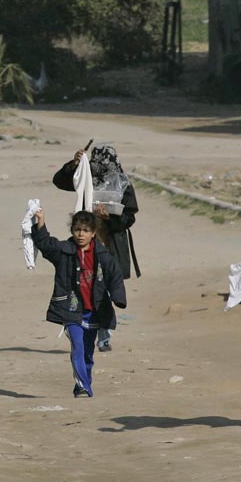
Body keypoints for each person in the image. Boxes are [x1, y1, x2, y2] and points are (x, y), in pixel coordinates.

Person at [52, 144, 140, 352]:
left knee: (105, 288)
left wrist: (109, 218)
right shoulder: (86, 179)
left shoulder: (123, 183)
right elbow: (60, 181)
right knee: (84, 285)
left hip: (111, 245)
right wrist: (74, 164)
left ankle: (104, 332)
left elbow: (129, 217)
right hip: (85, 245)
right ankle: (81, 326)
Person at [31, 209, 126, 398]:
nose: (81, 234)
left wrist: (118, 298)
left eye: (85, 230)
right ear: (72, 230)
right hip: (71, 310)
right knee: (78, 346)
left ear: (93, 233)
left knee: (88, 354)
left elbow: (115, 277)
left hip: (94, 312)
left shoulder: (103, 256)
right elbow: (45, 244)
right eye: (77, 230)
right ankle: (83, 387)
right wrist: (40, 220)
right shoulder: (64, 251)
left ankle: (83, 383)